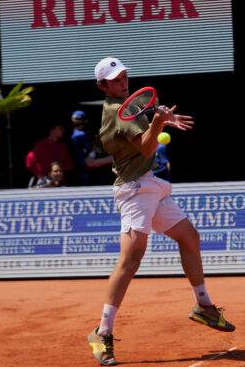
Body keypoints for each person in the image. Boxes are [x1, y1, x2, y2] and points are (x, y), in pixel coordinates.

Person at [87, 57, 235, 366]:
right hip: (134, 190)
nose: (122, 82)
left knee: (189, 237)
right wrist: (158, 123)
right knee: (131, 260)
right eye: (114, 80)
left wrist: (163, 120)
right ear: (102, 86)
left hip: (150, 185)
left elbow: (143, 125)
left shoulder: (126, 106)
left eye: (124, 76)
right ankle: (102, 333)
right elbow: (145, 147)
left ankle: (203, 306)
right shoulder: (117, 112)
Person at [70, 110, 92, 185]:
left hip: (71, 167)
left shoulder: (69, 134)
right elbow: (87, 149)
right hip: (82, 166)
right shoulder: (81, 134)